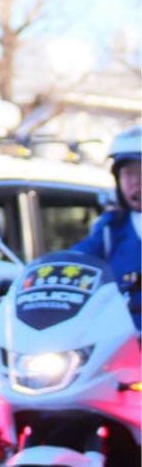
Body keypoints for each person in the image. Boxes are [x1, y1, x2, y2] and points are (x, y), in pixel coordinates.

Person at [72, 125, 141, 331]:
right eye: (128, 174)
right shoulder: (110, 229)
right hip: (122, 340)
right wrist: (28, 278)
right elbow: (74, 260)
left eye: (141, 172)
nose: (136, 182)